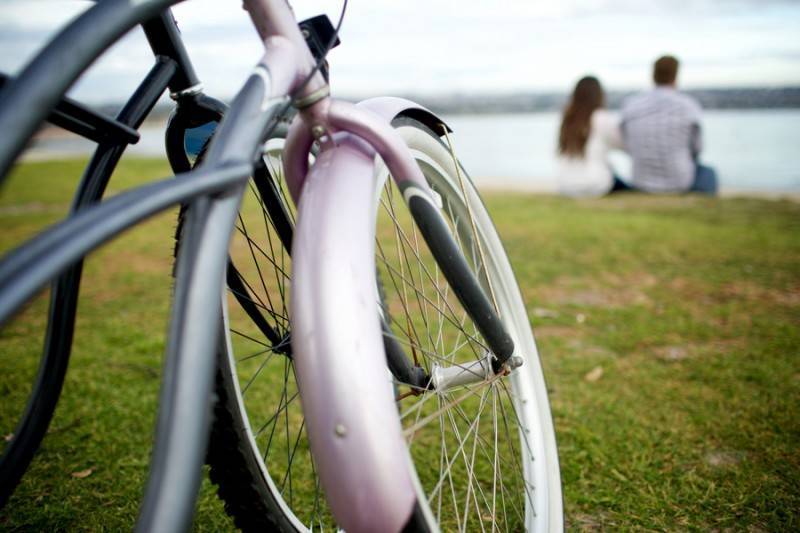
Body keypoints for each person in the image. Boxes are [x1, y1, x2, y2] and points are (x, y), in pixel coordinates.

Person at [620, 55, 718, 194]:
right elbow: (697, 149)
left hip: (640, 182)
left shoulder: (631, 105)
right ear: (676, 75)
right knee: (709, 172)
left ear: (653, 75)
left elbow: (626, 144)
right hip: (680, 183)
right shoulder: (688, 106)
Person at [555, 76, 625, 197]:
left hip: (565, 185)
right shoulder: (602, 118)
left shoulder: (567, 119)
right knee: (625, 184)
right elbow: (622, 144)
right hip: (596, 184)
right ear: (599, 95)